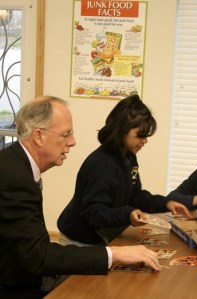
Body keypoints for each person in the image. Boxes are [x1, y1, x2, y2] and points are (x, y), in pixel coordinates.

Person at [0, 96, 161, 299]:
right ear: (39, 136)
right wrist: (116, 254)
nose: (73, 142)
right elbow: (37, 255)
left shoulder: (16, 164)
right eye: (66, 134)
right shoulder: (14, 177)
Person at [57, 94, 191, 246]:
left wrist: (165, 204)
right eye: (140, 135)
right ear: (122, 130)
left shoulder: (129, 156)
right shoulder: (102, 165)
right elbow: (93, 213)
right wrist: (127, 214)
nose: (145, 141)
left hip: (101, 236)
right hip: (80, 240)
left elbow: (135, 195)